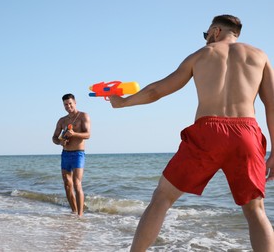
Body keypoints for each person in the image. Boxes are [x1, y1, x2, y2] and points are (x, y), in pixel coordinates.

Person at [109, 15, 274, 251]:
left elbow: (157, 91)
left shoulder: (201, 55)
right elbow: (273, 106)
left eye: (206, 34)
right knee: (255, 210)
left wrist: (123, 103)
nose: (206, 39)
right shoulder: (260, 56)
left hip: (208, 132)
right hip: (246, 134)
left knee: (162, 198)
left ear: (215, 31)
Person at [52, 93, 91, 217]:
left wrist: (73, 134)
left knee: (76, 183)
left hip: (78, 154)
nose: (68, 106)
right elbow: (54, 137)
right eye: (65, 104)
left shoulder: (83, 116)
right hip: (65, 154)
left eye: (70, 103)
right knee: (67, 184)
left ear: (75, 103)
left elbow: (88, 135)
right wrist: (60, 141)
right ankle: (73, 212)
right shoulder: (62, 120)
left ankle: (80, 215)